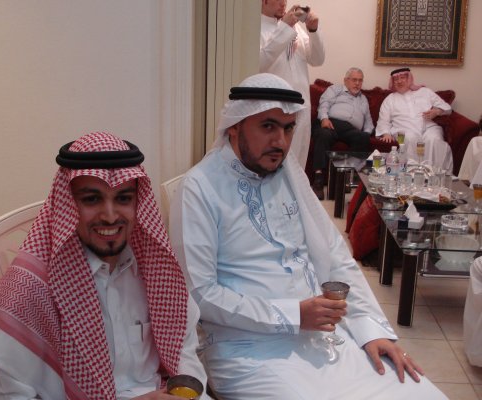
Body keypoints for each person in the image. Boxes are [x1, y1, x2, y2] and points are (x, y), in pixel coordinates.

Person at [169, 73, 448, 400]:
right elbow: (200, 294)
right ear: (235, 126)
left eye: (289, 128)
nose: (281, 142)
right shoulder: (199, 188)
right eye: (268, 126)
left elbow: (335, 254)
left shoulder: (287, 172)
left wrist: (369, 329)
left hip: (323, 339)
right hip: (248, 352)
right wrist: (293, 315)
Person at [0, 132, 211, 400]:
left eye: (123, 198)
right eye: (91, 199)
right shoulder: (24, 295)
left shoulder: (155, 268)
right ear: (68, 204)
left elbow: (184, 349)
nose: (110, 216)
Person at [260, 0, 325, 170]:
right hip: (275, 109)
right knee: (275, 166)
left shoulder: (297, 29)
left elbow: (317, 60)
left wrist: (313, 30)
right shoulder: (256, 27)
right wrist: (284, 28)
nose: (284, 3)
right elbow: (259, 63)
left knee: (298, 165)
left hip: (302, 106)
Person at [311, 67, 373, 200]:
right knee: (323, 135)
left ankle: (346, 180)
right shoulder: (336, 89)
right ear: (346, 80)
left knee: (363, 137)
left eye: (360, 80)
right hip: (331, 123)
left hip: (350, 130)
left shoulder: (363, 99)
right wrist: (324, 118)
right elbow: (324, 103)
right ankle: (318, 180)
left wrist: (367, 134)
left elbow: (368, 122)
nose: (357, 83)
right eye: (354, 80)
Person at [376, 67, 453, 172]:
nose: (399, 81)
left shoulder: (425, 92)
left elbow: (447, 108)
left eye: (402, 78)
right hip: (403, 129)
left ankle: (436, 174)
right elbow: (383, 120)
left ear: (409, 79)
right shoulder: (390, 99)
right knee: (411, 138)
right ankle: (412, 174)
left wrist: (436, 111)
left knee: (434, 139)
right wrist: (386, 133)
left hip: (428, 127)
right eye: (396, 79)